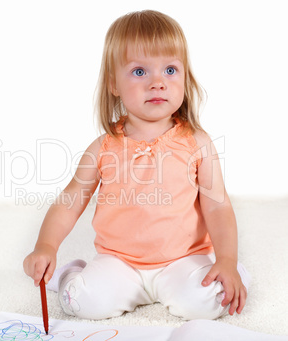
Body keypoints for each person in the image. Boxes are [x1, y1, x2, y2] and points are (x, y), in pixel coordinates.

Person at [23, 10, 250, 321]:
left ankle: (232, 271)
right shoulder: (103, 148)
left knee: (212, 301)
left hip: (183, 259)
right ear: (113, 83)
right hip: (120, 262)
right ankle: (71, 274)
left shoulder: (197, 141)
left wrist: (225, 258)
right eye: (140, 72)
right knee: (84, 303)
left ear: (185, 77)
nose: (157, 82)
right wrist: (45, 245)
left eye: (170, 69)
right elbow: (70, 202)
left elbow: (218, 207)